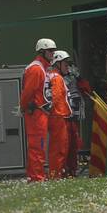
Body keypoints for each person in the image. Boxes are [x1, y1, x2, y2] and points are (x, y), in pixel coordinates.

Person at [19, 37, 56, 182]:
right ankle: (37, 177)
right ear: (42, 52)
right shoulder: (36, 69)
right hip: (36, 113)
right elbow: (28, 92)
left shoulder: (42, 68)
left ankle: (35, 175)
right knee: (37, 146)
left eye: (53, 51)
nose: (53, 54)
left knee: (39, 145)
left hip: (40, 112)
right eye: (50, 51)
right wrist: (23, 107)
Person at [46, 51, 75, 179]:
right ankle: (56, 175)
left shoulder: (53, 76)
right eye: (65, 63)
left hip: (59, 116)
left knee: (60, 148)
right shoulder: (56, 78)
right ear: (57, 64)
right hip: (58, 116)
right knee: (59, 149)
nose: (67, 66)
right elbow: (56, 98)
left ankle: (58, 174)